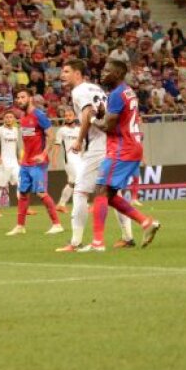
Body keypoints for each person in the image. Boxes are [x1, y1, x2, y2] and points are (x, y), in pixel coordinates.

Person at [58, 58, 133, 253]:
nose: (62, 75)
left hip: (97, 146)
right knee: (111, 193)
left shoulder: (79, 91)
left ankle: (75, 242)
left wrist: (78, 140)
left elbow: (87, 114)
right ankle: (128, 236)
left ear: (77, 74)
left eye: (66, 71)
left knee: (80, 191)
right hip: (110, 143)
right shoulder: (96, 89)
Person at [87, 60, 162, 249]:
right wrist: (104, 115)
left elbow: (108, 127)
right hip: (131, 146)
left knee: (101, 192)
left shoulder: (116, 94)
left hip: (122, 148)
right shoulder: (127, 91)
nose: (103, 73)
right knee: (109, 195)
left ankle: (97, 243)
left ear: (119, 73)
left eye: (107, 70)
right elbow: (118, 120)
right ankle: (146, 222)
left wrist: (93, 119)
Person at [4, 88, 65, 237]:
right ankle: (20, 226)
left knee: (41, 193)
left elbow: (52, 135)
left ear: (30, 98)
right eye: (18, 98)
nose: (20, 100)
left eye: (23, 97)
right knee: (23, 193)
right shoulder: (22, 117)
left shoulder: (39, 115)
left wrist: (44, 154)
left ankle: (57, 224)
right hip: (25, 163)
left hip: (38, 163)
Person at [0, 111, 20, 218]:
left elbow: (16, 146)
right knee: (0, 186)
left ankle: (23, 208)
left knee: (21, 183)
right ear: (4, 119)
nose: (8, 119)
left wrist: (19, 159)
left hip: (14, 162)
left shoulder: (16, 130)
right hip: (3, 162)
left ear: (14, 119)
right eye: (6, 117)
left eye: (11, 117)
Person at [50, 106, 80, 212]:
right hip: (69, 160)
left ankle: (61, 204)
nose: (67, 117)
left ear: (74, 116)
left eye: (70, 115)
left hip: (80, 159)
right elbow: (57, 146)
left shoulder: (79, 130)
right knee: (78, 180)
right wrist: (54, 159)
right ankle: (83, 205)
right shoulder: (61, 130)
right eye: (66, 116)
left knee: (72, 183)